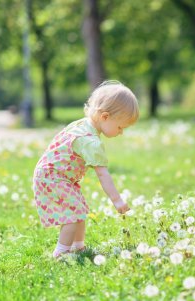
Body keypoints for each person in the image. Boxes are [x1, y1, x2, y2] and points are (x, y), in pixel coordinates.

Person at [32, 80, 139, 258]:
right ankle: (61, 253)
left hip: (53, 174)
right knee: (72, 215)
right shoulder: (91, 142)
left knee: (79, 210)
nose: (121, 132)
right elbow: (103, 175)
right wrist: (118, 201)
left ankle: (78, 247)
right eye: (120, 127)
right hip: (53, 177)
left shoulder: (81, 125)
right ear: (105, 116)